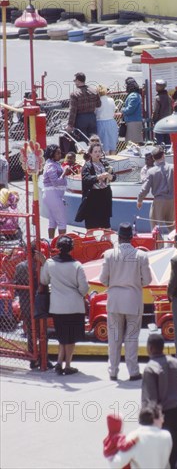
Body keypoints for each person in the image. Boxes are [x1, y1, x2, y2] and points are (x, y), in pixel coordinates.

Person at [99, 222, 153, 381]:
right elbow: (147, 280)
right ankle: (133, 371)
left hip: (114, 300)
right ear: (131, 237)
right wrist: (136, 283)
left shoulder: (109, 254)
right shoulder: (141, 255)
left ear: (118, 237)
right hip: (133, 300)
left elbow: (103, 279)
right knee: (131, 338)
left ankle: (113, 371)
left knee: (114, 337)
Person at [40, 235, 89, 375]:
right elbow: (84, 289)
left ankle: (59, 362)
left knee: (62, 336)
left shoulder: (50, 264)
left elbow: (44, 280)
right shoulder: (77, 265)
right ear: (71, 249)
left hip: (57, 307)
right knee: (71, 338)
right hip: (74, 306)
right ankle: (67, 365)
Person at [141, 333, 177, 468]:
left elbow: (150, 401)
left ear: (150, 348)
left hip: (161, 419)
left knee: (161, 460)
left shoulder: (150, 368)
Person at [14, 242, 53, 370]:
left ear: (26, 252)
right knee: (43, 331)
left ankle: (33, 357)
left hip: (26, 302)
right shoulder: (40, 266)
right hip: (40, 301)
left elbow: (16, 286)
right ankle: (44, 358)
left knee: (31, 331)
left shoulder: (20, 267)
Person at [106, 402, 172, 469]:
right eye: (161, 416)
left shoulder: (133, 436)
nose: (163, 420)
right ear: (154, 419)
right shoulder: (166, 436)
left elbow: (116, 464)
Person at [137, 145, 177, 232]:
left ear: (154, 158)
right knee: (174, 227)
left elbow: (145, 189)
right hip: (173, 200)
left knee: (156, 228)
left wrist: (140, 200)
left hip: (159, 201)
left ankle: (159, 245)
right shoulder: (173, 168)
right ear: (163, 156)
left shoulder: (151, 171)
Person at [77, 142, 116, 229]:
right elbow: (86, 179)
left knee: (105, 223)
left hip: (104, 195)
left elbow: (114, 176)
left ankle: (106, 241)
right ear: (90, 153)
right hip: (92, 196)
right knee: (91, 223)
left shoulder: (105, 163)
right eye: (95, 152)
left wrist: (110, 176)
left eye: (99, 151)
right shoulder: (87, 166)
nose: (98, 153)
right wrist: (98, 177)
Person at [42, 144, 72, 239]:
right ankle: (62, 244)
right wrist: (64, 173)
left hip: (53, 195)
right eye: (57, 153)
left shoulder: (53, 163)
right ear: (52, 154)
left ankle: (51, 243)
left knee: (53, 220)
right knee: (61, 221)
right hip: (53, 194)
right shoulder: (51, 165)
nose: (60, 155)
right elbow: (55, 182)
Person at [66, 72, 101, 137]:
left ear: (78, 81)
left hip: (80, 119)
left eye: (75, 81)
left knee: (82, 141)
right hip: (92, 117)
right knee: (93, 139)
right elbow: (99, 104)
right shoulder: (94, 91)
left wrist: (70, 125)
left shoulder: (74, 94)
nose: (74, 82)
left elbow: (72, 111)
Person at [95, 85, 119, 155]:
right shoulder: (111, 100)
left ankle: (107, 161)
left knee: (104, 145)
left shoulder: (97, 101)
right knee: (112, 144)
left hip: (101, 123)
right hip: (112, 123)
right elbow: (114, 110)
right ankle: (114, 159)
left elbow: (95, 112)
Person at [122, 77, 143, 144]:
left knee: (132, 144)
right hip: (133, 122)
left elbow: (130, 110)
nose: (125, 86)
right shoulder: (136, 95)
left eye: (126, 85)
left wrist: (122, 110)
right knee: (133, 144)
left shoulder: (133, 95)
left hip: (133, 122)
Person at [153, 79, 172, 145]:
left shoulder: (157, 98)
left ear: (161, 87)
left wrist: (154, 120)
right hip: (168, 122)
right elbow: (171, 110)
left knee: (159, 141)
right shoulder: (169, 97)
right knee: (167, 140)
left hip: (159, 122)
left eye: (157, 86)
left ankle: (160, 154)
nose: (156, 87)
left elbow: (156, 111)